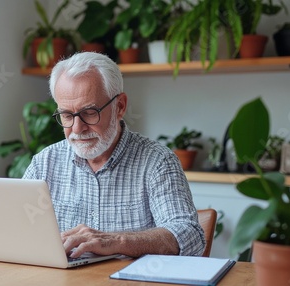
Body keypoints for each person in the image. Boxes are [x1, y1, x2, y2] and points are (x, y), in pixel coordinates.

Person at [22, 52, 205, 258]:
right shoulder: (45, 163)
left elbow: (190, 235)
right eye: (66, 115)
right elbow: (14, 227)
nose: (77, 128)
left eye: (90, 112)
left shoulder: (157, 161)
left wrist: (117, 241)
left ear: (120, 107)